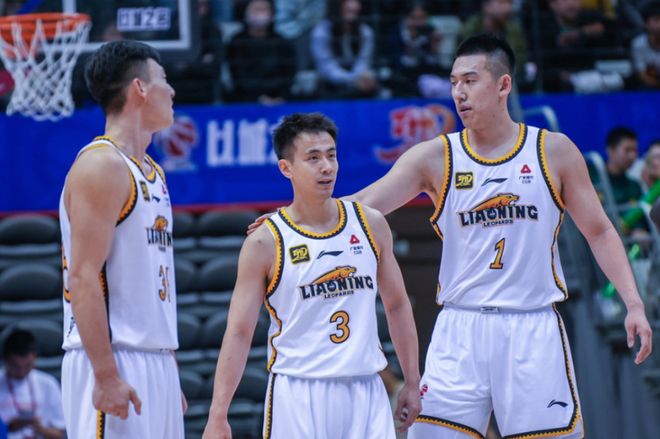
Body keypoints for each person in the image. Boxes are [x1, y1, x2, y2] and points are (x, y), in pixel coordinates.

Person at [347, 34, 652, 438]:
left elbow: (599, 231)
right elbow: (361, 206)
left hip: (531, 328)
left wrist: (633, 303)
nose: (459, 92)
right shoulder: (435, 157)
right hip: (460, 328)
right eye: (454, 82)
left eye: (470, 81)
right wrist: (289, 223)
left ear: (504, 84)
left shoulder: (554, 151)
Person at [202, 112, 421, 438]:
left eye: (331, 155)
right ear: (286, 168)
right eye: (313, 158)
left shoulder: (371, 224)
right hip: (299, 392)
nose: (327, 166)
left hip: (366, 390)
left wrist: (412, 381)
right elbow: (239, 331)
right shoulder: (265, 242)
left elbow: (398, 305)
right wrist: (218, 413)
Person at [58, 40, 184, 438]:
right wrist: (106, 374)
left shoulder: (153, 173)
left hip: (154, 358)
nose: (172, 90)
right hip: (113, 357)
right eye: (164, 79)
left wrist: (167, 366)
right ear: (139, 88)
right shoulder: (101, 165)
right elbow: (82, 277)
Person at [226, 0, 297, 104]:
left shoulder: (282, 42)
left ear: (272, 14)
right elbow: (238, 76)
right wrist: (258, 98)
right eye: (256, 10)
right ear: (245, 13)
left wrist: (279, 97)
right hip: (246, 100)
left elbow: (288, 74)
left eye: (264, 10)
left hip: (279, 100)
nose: (260, 14)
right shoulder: (236, 42)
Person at [0, 329, 65, 439]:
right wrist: (8, 427)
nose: (21, 372)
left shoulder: (48, 383)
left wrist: (40, 429)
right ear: (6, 360)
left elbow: (59, 434)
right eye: (16, 367)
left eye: (27, 367)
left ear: (34, 357)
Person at [310, 0, 379, 98]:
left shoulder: (366, 32)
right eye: (348, 1)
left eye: (356, 1)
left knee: (370, 83)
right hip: (330, 84)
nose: (354, 6)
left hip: (358, 83)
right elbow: (326, 67)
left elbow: (363, 62)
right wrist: (352, 79)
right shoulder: (321, 32)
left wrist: (359, 78)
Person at [631, 1, 660, 89]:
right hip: (650, 86)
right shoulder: (638, 44)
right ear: (646, 23)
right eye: (656, 19)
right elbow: (642, 75)